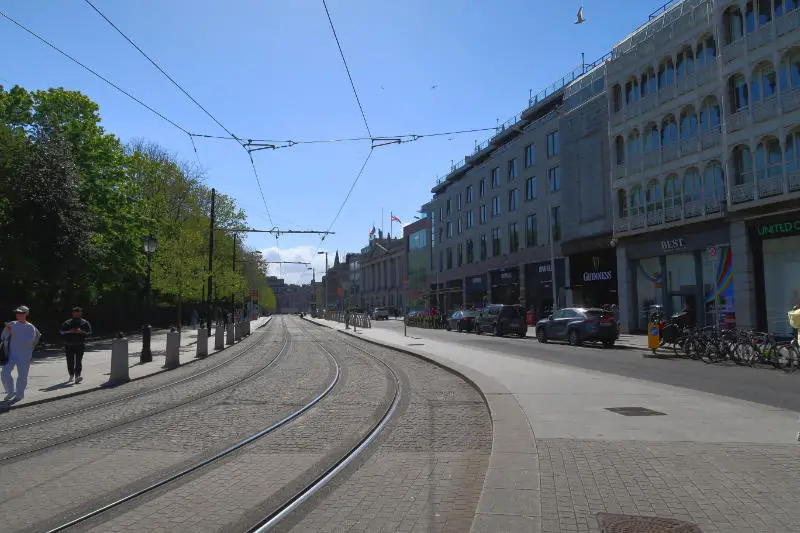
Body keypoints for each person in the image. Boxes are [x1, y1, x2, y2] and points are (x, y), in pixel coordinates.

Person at [1, 305, 42, 403]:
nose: (18, 315)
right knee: (4, 372)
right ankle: (10, 391)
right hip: (12, 354)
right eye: (17, 313)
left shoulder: (30, 327)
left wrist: (14, 332)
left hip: (25, 354)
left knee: (22, 375)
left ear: (25, 314)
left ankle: (19, 394)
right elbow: (3, 337)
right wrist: (7, 331)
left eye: (20, 313)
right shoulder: (12, 324)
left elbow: (29, 341)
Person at [59, 306, 92, 383]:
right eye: (76, 314)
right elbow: (61, 332)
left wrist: (82, 332)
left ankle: (77, 375)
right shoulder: (67, 323)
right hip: (69, 344)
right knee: (70, 361)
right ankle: (71, 375)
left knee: (78, 361)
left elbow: (90, 333)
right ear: (72, 314)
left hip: (80, 344)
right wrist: (70, 331)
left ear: (81, 314)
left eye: (79, 314)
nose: (77, 316)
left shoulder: (85, 323)